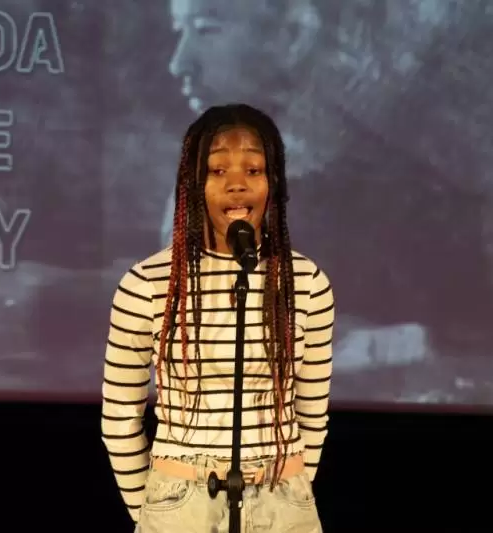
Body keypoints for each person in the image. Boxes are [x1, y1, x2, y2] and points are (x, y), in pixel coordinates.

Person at [101, 103, 334, 532]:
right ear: (193, 184)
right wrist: (153, 511)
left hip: (283, 498)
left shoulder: (306, 281)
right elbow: (120, 420)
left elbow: (312, 416)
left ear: (274, 182)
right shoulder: (146, 284)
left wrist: (288, 489)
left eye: (254, 170)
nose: (237, 185)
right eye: (218, 170)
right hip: (181, 501)